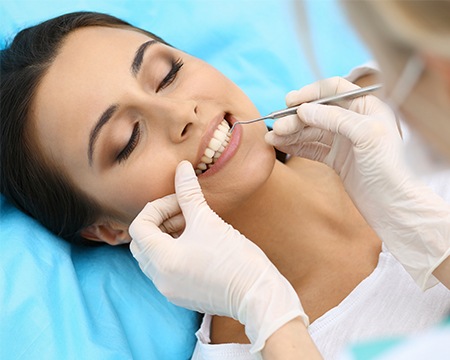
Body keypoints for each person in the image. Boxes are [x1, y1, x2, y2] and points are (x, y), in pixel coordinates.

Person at [0, 11, 448, 360]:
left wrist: (428, 232)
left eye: (167, 74)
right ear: (109, 229)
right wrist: (272, 322)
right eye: (127, 140)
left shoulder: (408, 99)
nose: (182, 115)